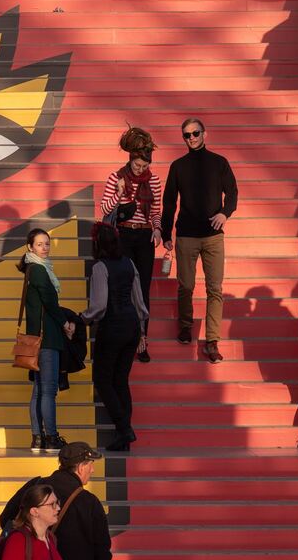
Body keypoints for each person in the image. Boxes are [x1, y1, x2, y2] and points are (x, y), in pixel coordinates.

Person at [162, 118, 238, 363]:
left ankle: (212, 340)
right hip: (186, 235)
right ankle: (185, 326)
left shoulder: (219, 163)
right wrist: (165, 234)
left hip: (214, 237)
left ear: (205, 134)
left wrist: (224, 213)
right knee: (186, 285)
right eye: (187, 135)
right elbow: (169, 202)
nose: (192, 138)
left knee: (215, 289)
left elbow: (233, 193)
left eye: (195, 133)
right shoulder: (177, 166)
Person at [80, 223, 148, 451]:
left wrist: (83, 318)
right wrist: (142, 329)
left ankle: (124, 428)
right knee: (120, 380)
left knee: (102, 379)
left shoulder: (101, 267)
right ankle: (124, 435)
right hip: (131, 327)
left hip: (112, 327)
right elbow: (139, 300)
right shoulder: (129, 263)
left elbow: (99, 306)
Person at [99, 126, 162, 362]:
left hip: (144, 238)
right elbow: (104, 209)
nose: (140, 169)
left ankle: (142, 340)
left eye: (145, 166)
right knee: (123, 287)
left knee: (143, 290)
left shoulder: (154, 182)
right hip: (122, 236)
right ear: (130, 159)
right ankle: (122, 337)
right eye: (137, 165)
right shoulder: (117, 177)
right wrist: (118, 193)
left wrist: (157, 229)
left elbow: (156, 212)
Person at [0, 442, 110, 560]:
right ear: (81, 467)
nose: (93, 470)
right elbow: (103, 552)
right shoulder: (90, 502)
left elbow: (5, 519)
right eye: (91, 465)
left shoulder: (35, 485)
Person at [17, 228, 74, 453]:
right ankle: (50, 437)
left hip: (37, 338)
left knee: (39, 390)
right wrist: (65, 324)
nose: (44, 248)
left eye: (47, 244)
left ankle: (37, 438)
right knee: (48, 390)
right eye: (40, 244)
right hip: (47, 339)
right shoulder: (39, 270)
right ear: (30, 247)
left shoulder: (34, 269)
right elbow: (50, 302)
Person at [0, 483, 66, 560]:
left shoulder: (50, 538)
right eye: (52, 504)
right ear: (34, 511)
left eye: (57, 503)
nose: (58, 508)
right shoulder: (18, 540)